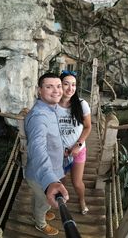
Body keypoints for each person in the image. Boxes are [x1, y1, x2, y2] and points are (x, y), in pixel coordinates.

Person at [25, 72, 69, 236]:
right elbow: (37, 147)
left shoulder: (52, 109)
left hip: (50, 168)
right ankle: (40, 223)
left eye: (58, 86)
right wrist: (50, 181)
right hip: (41, 174)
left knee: (40, 200)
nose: (56, 90)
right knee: (45, 201)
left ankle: (38, 213)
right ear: (39, 90)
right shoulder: (39, 116)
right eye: (49, 87)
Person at [58, 70, 92, 215]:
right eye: (66, 84)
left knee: (77, 183)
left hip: (78, 150)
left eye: (73, 85)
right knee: (61, 180)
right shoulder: (53, 105)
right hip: (59, 152)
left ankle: (82, 200)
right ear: (60, 85)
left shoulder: (81, 104)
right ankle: (63, 199)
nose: (70, 88)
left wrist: (77, 145)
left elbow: (88, 127)